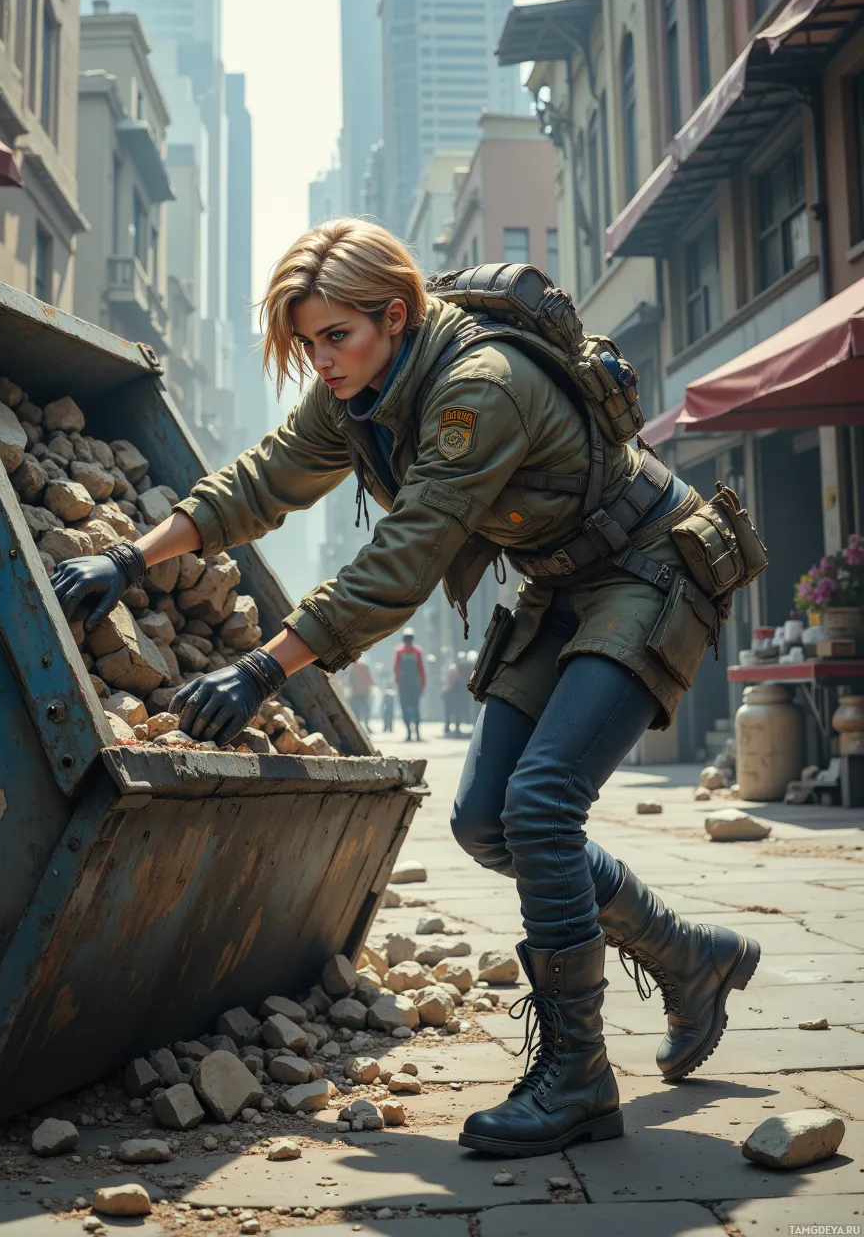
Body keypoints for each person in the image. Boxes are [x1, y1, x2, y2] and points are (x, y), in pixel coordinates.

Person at [51, 218, 762, 1161]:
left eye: (335, 336)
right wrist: (126, 558)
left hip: (651, 565)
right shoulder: (357, 391)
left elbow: (404, 560)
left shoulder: (478, 389)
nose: (320, 360)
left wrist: (264, 667)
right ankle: (689, 957)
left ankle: (579, 1078)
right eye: (307, 342)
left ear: (395, 315)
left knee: (541, 805)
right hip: (560, 580)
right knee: (486, 823)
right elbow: (263, 481)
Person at [393, 628, 426, 741]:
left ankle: (409, 733)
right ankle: (416, 733)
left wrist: (397, 683)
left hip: (405, 685)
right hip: (414, 685)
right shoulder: (417, 651)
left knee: (406, 708)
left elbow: (396, 669)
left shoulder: (399, 651)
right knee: (415, 708)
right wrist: (423, 684)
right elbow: (421, 669)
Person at [345, 658, 375, 731]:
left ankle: (358, 727)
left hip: (355, 693)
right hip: (363, 692)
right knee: (365, 709)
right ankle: (366, 725)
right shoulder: (363, 666)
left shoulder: (352, 668)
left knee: (356, 710)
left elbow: (348, 680)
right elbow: (370, 679)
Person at [442, 656, 460, 736]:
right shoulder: (453, 668)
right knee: (452, 711)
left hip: (450, 692)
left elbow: (449, 682)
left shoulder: (452, 668)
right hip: (451, 692)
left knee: (449, 711)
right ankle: (451, 728)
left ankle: (448, 728)